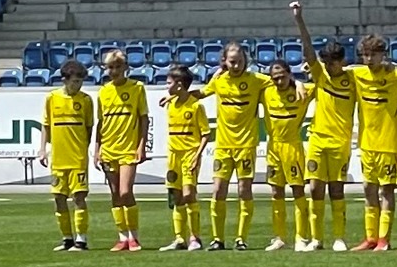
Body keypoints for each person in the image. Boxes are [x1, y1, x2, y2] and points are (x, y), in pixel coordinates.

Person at [167, 42, 273, 251]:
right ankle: (218, 239)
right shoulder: (219, 81)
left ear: (246, 61)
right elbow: (201, 93)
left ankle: (241, 239)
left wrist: (298, 84)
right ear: (224, 61)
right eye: (232, 62)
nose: (236, 66)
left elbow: (281, 81)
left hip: (246, 145)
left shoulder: (256, 80)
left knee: (244, 190)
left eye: (240, 61)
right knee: (218, 191)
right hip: (223, 146)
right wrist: (175, 95)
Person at [290, 1, 356, 252]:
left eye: (333, 63)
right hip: (318, 140)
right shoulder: (320, 75)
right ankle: (316, 239)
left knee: (337, 190)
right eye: (326, 62)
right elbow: (308, 50)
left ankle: (339, 237)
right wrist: (299, 19)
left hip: (340, 142)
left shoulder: (354, 79)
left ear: (342, 61)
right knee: (315, 189)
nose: (329, 66)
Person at [352, 34, 397, 251]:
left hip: (389, 144)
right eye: (365, 55)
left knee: (387, 191)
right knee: (368, 189)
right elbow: (332, 72)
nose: (369, 59)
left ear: (383, 54)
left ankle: (384, 238)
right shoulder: (357, 73)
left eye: (373, 54)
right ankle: (370, 237)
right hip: (367, 143)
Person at [95, 49, 149, 252]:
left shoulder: (136, 88)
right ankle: (122, 237)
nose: (114, 71)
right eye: (110, 67)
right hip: (108, 149)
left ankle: (134, 236)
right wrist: (97, 149)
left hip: (128, 149)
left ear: (125, 67)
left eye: (118, 67)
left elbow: (143, 119)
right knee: (115, 193)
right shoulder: (103, 91)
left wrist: (141, 146)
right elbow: (101, 123)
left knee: (126, 191)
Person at [39, 59, 94, 251]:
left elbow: (89, 128)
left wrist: (83, 148)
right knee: (59, 198)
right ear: (64, 80)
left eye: (80, 82)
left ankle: (81, 239)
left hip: (77, 158)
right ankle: (67, 238)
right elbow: (46, 125)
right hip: (58, 159)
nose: (78, 85)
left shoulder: (85, 100)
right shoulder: (52, 98)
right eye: (75, 81)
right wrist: (42, 149)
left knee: (79, 197)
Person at [262, 58, 315, 251]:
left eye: (282, 77)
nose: (279, 81)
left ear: (289, 75)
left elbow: (322, 83)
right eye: (275, 78)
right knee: (276, 192)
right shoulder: (265, 91)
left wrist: (300, 82)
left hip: (292, 146)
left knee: (298, 190)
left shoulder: (303, 91)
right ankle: (279, 237)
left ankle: (301, 237)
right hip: (273, 148)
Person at [160, 64, 210, 252]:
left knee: (189, 194)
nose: (166, 86)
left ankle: (195, 238)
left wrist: (197, 156)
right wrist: (171, 96)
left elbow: (206, 134)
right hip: (174, 156)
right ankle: (179, 238)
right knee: (177, 196)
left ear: (179, 84)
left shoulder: (196, 106)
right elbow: (173, 97)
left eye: (169, 83)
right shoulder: (170, 103)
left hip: (190, 154)